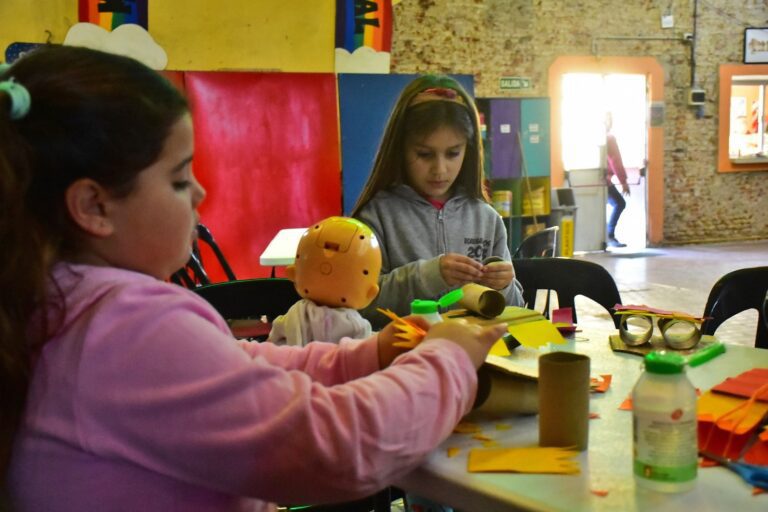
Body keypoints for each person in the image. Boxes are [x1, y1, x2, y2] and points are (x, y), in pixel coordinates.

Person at [0, 46, 509, 512]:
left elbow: (240, 362)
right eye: (179, 178)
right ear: (94, 206)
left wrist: (368, 355)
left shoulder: (62, 301)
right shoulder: (124, 328)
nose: (199, 193)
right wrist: (450, 357)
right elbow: (341, 448)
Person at [351, 74, 524, 329]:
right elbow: (360, 306)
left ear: (469, 150)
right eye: (424, 154)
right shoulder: (377, 218)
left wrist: (504, 286)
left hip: (473, 359)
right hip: (404, 358)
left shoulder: (486, 219)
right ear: (400, 148)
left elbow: (516, 309)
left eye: (453, 153)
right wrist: (427, 276)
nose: (440, 169)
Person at [267, 216, 381, 345]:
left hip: (294, 363)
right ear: (370, 292)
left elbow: (272, 343)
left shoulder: (294, 316)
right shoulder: (357, 326)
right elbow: (365, 355)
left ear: (293, 274)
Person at [604, 113, 631, 248]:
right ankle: (609, 235)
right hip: (604, 182)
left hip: (595, 181)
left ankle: (607, 235)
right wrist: (624, 182)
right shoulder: (609, 138)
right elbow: (615, 160)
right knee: (620, 203)